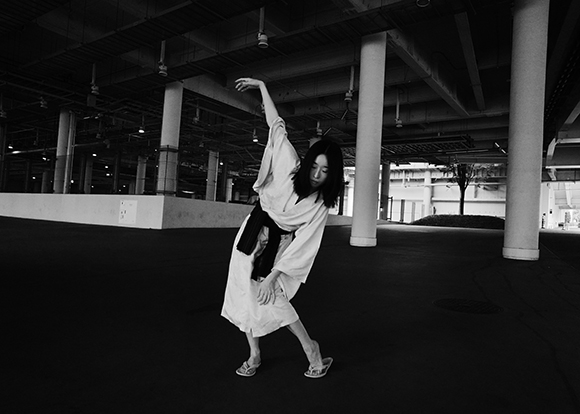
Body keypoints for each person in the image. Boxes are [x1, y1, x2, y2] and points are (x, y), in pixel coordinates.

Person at [221, 77, 344, 379]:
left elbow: (306, 244)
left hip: (280, 244)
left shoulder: (320, 205)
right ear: (307, 162)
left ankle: (311, 349)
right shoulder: (289, 165)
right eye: (314, 166)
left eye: (325, 170)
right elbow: (276, 125)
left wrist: (273, 275)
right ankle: (254, 353)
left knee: (272, 295)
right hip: (254, 227)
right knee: (243, 290)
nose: (317, 174)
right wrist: (262, 86)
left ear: (333, 175)